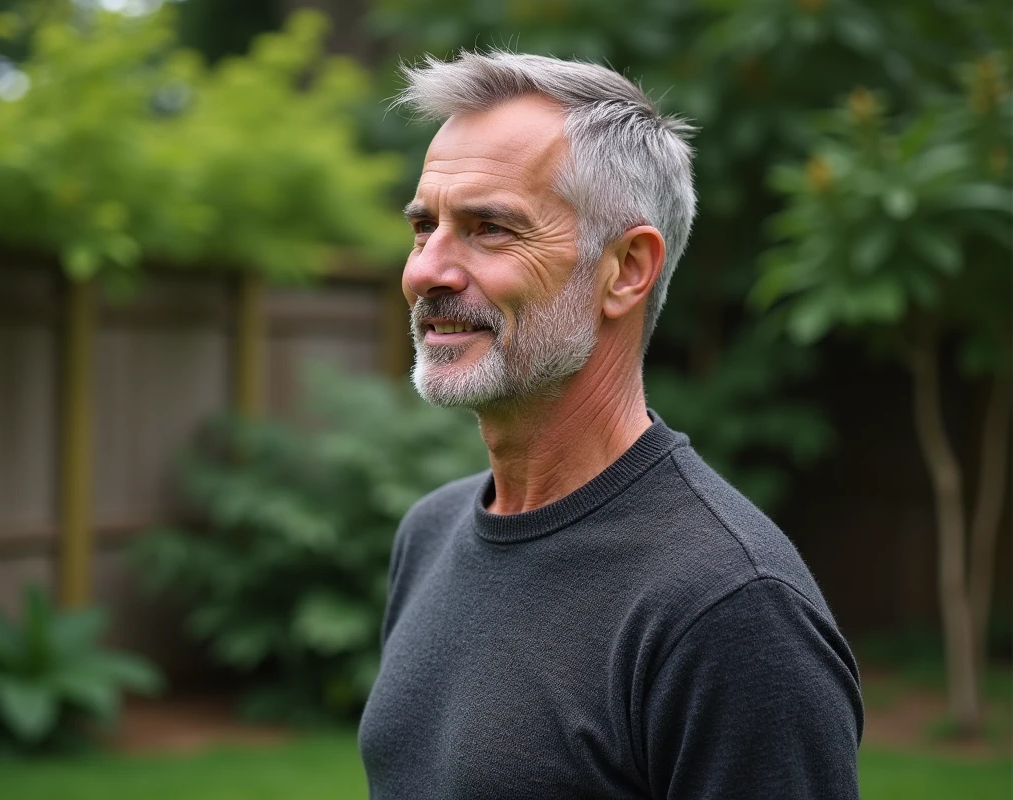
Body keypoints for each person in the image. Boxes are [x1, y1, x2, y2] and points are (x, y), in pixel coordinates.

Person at [357, 51, 864, 799]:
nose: (427, 269)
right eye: (422, 226)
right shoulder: (428, 536)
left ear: (626, 269)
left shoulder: (731, 609)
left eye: (489, 228)